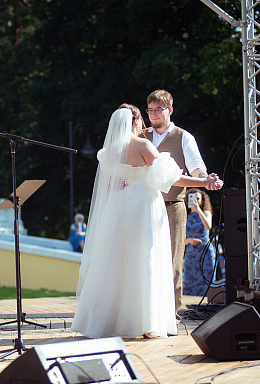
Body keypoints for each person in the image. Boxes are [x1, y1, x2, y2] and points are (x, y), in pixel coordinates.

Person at [71, 105, 223, 339]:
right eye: (140, 118)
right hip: (143, 206)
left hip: (119, 206)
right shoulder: (142, 145)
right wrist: (204, 183)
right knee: (145, 259)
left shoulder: (108, 151)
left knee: (116, 260)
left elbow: (112, 182)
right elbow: (172, 177)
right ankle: (143, 321)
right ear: (134, 122)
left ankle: (106, 321)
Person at [143, 89, 221, 318]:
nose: (155, 114)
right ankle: (146, 308)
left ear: (170, 110)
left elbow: (197, 167)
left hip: (173, 205)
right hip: (144, 203)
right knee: (145, 256)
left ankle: (172, 309)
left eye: (160, 109)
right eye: (151, 110)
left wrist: (206, 179)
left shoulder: (183, 137)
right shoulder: (141, 136)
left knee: (173, 257)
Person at [183, 188, 216, 296]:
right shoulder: (184, 216)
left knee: (206, 281)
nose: (195, 201)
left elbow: (208, 226)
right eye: (192, 198)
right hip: (191, 254)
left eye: (198, 199)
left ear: (202, 201)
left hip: (205, 252)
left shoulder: (206, 212)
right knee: (190, 283)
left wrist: (198, 210)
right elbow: (180, 240)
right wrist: (189, 240)